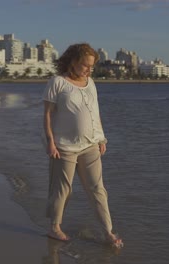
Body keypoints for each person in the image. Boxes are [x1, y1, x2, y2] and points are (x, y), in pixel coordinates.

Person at [42, 43, 123, 248]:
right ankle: (55, 227)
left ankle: (108, 231)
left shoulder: (90, 82)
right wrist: (50, 142)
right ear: (73, 62)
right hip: (64, 148)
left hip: (91, 146)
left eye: (91, 66)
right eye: (85, 65)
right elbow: (48, 115)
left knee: (98, 189)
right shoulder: (57, 82)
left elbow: (95, 113)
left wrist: (101, 138)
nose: (89, 69)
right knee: (63, 190)